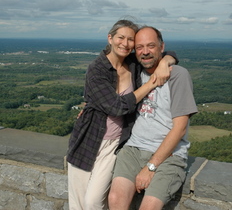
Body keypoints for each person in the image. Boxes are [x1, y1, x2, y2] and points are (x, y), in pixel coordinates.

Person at [66, 19, 178, 210]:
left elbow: (165, 53)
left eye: (130, 40)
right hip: (88, 139)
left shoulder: (133, 64)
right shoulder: (97, 69)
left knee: (93, 202)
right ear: (110, 38)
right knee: (78, 204)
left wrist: (166, 61)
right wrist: (151, 83)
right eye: (120, 38)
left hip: (115, 143)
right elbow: (117, 108)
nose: (125, 44)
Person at [108, 26, 198, 210]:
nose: (145, 52)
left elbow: (180, 128)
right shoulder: (136, 72)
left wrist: (151, 167)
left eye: (151, 46)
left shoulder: (178, 76)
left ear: (161, 47)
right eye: (140, 47)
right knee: (116, 199)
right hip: (133, 149)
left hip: (168, 156)